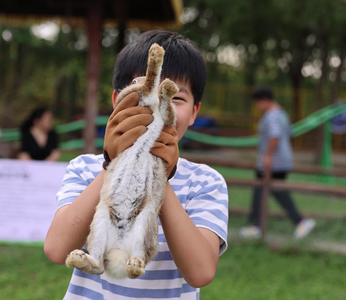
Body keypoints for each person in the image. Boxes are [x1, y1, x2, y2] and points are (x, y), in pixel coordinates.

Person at [44, 30, 228, 299]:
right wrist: (113, 162)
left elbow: (200, 272)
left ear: (194, 113)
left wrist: (160, 174)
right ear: (117, 101)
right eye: (143, 97)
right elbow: (57, 249)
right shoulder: (84, 168)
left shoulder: (205, 182)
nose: (158, 111)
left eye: (176, 98)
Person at [239, 87, 315, 240]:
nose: (257, 107)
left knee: (263, 191)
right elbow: (289, 133)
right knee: (274, 191)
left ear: (265, 101)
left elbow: (275, 136)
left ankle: (258, 226)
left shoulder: (271, 116)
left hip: (273, 161)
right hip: (283, 160)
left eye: (258, 104)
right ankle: (260, 225)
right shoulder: (282, 114)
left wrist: (267, 155)